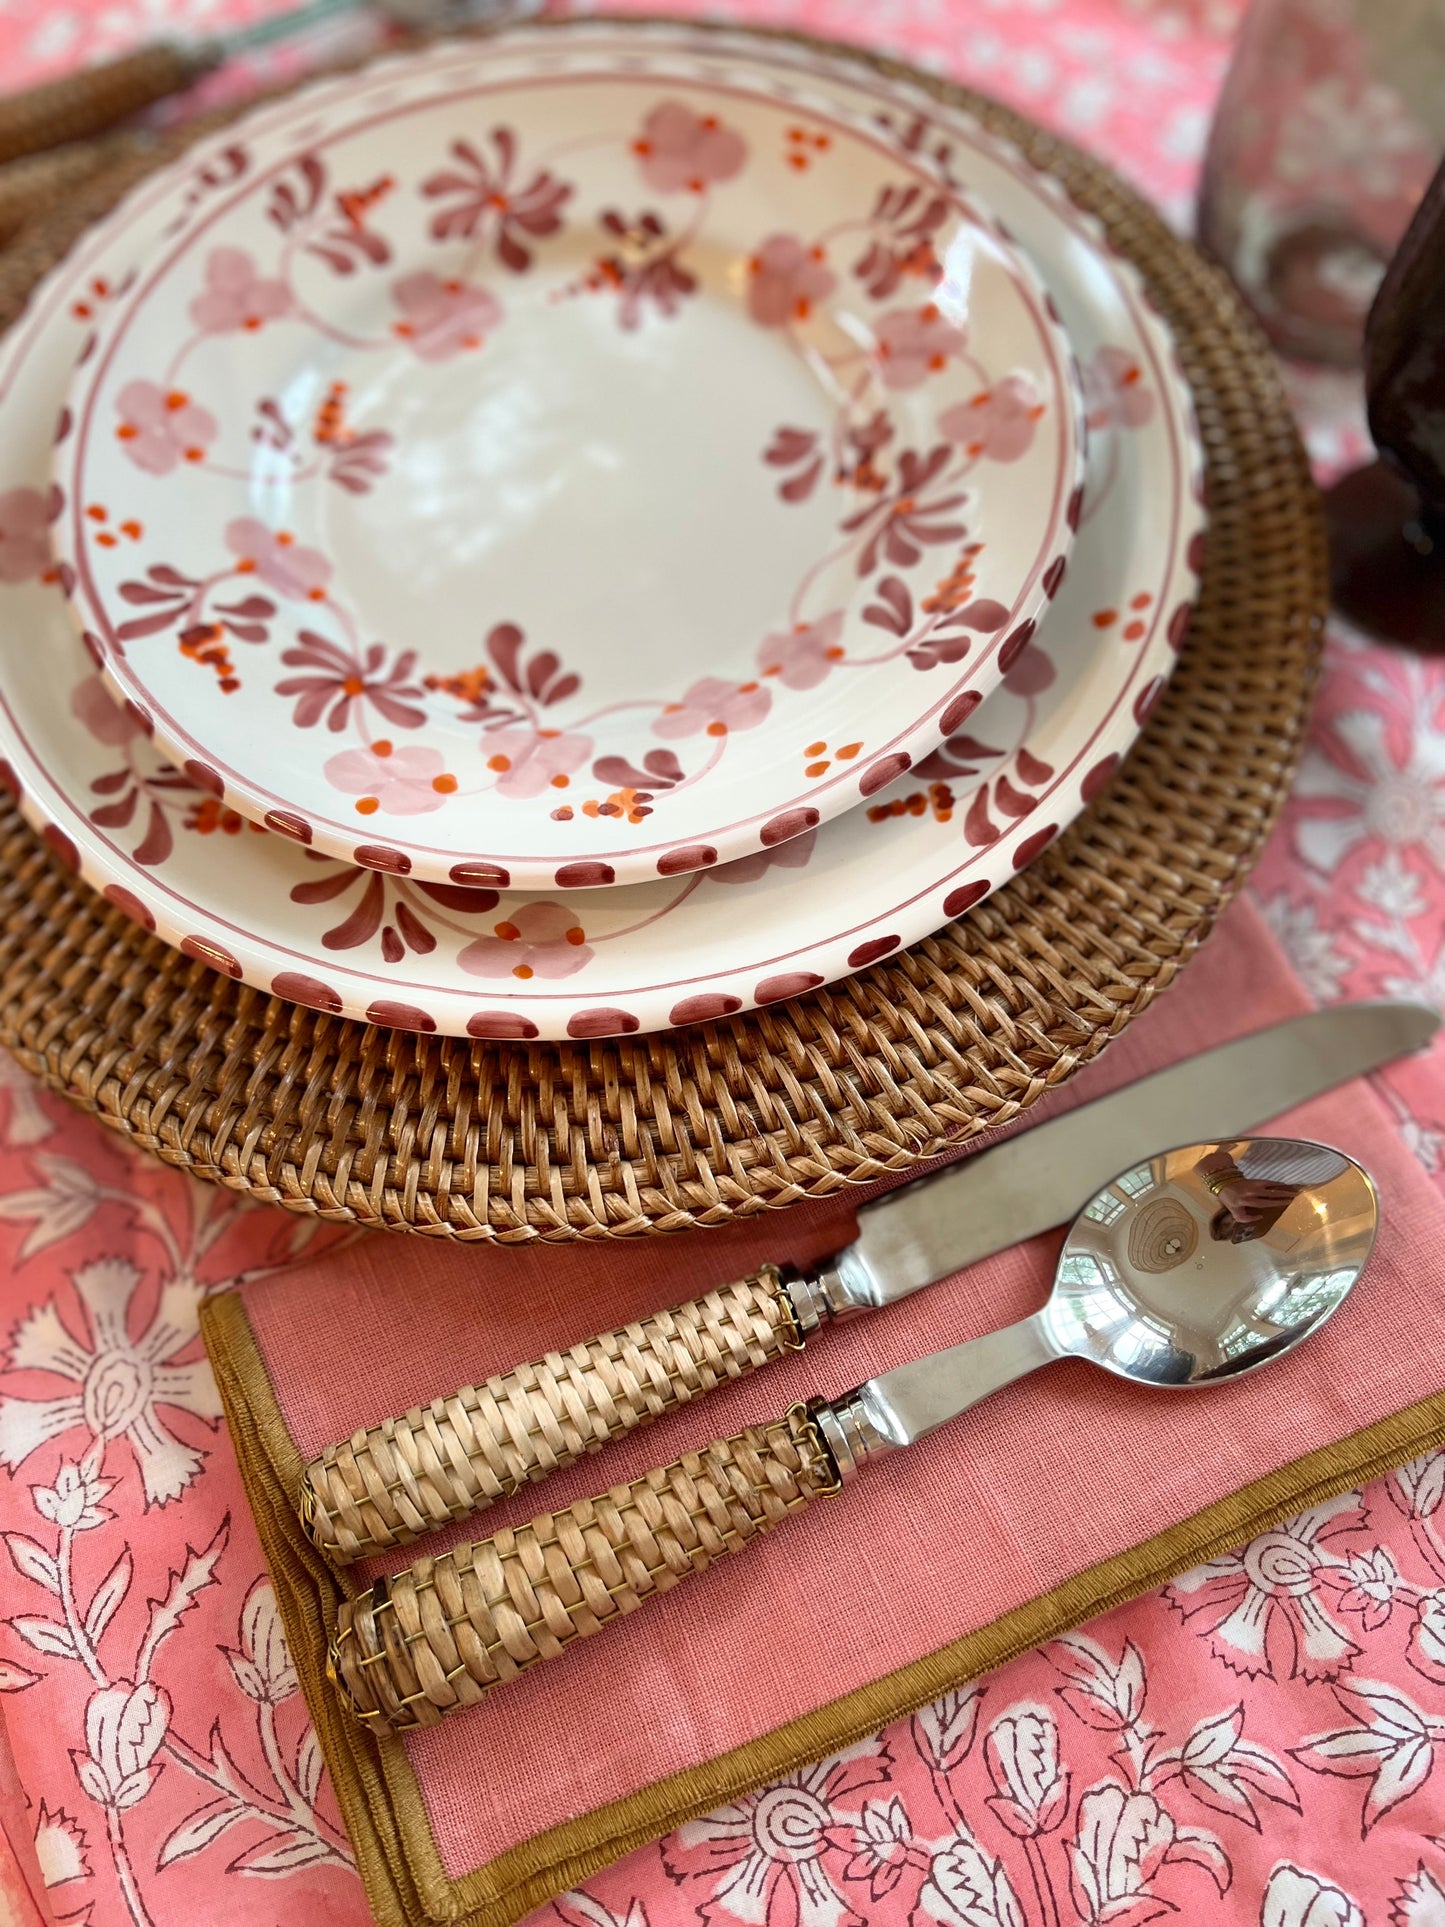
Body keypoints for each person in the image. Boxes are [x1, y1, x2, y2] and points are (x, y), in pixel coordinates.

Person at [1194, 1140, 1350, 1244]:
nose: (1237, 1220)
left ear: (1222, 1214)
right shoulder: (1292, 1193)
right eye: (1236, 1228)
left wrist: (1221, 1185)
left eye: (1228, 1222)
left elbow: (1206, 1161)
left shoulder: (1236, 1183)